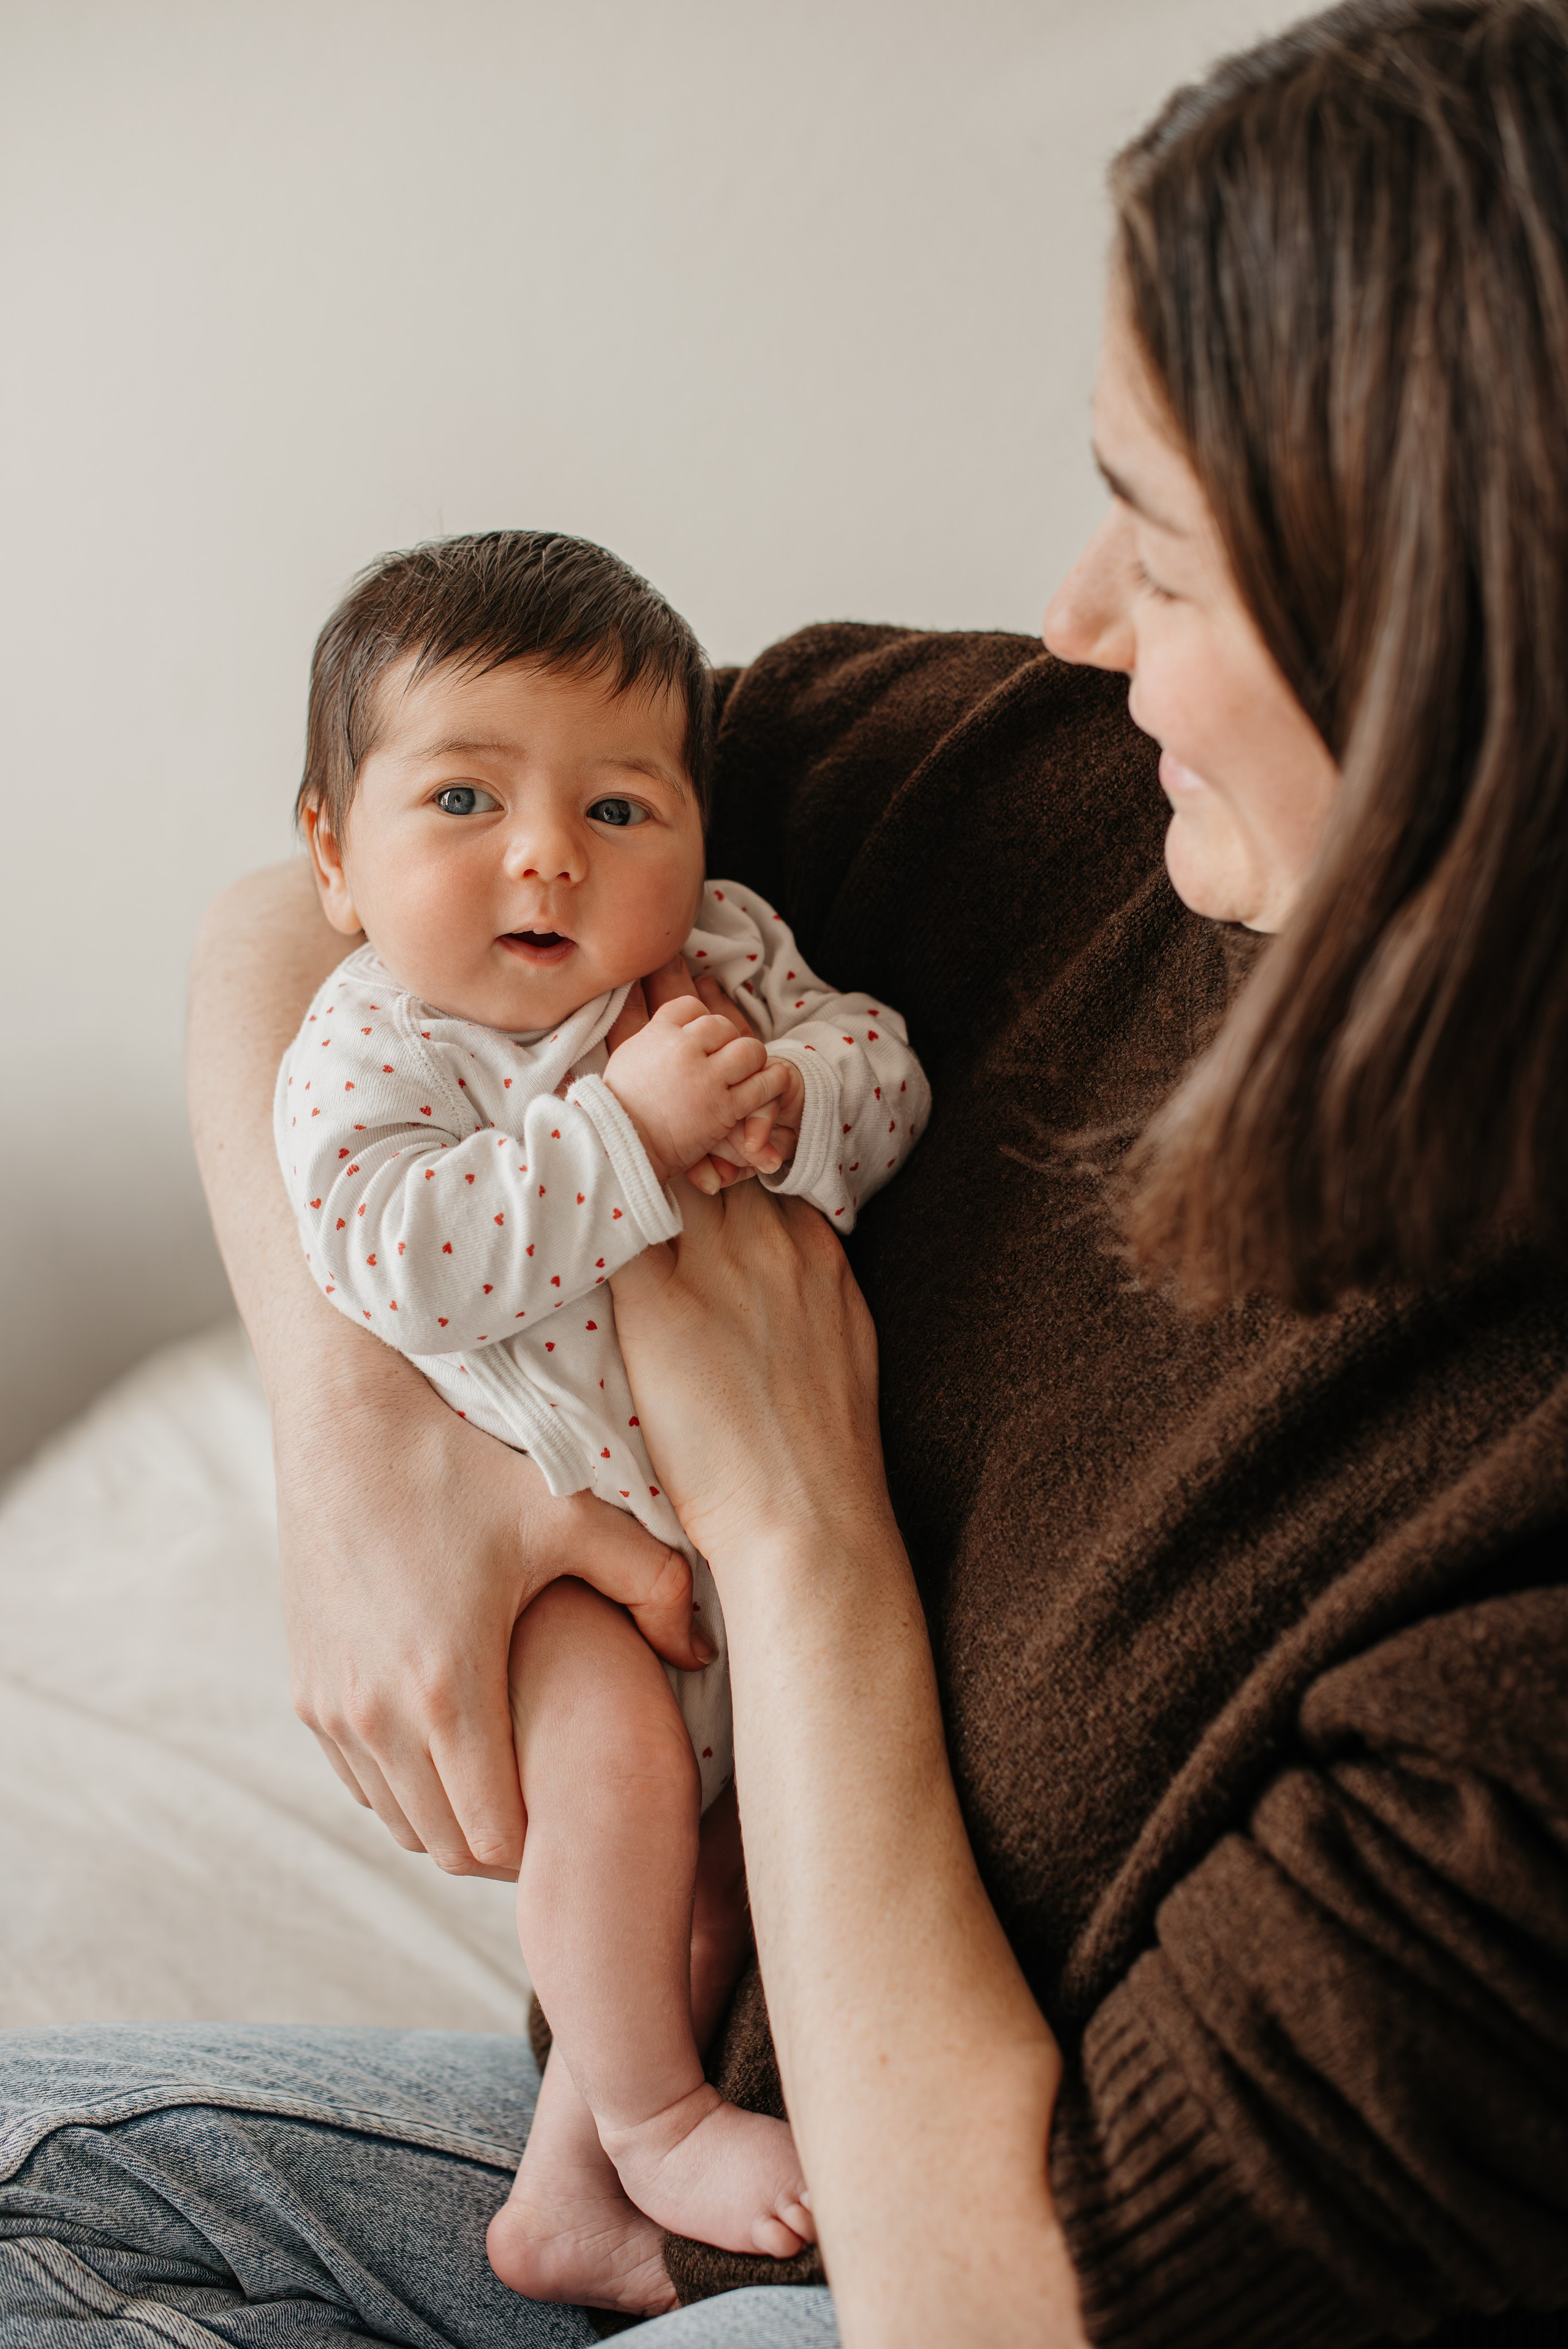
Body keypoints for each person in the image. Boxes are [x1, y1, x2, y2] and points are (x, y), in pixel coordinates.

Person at [3, 3, 1566, 2344]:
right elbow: (306, 925)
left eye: (1166, 540)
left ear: (1444, 629)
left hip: (938, 2259)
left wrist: (795, 1520)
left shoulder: (1515, 1579)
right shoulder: (1046, 801)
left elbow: (1004, 2308)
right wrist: (363, 1454)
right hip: (683, 2144)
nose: (1076, 618)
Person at [266, 528, 927, 2299]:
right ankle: (649, 2120)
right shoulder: (369, 1043)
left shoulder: (719, 957)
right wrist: (624, 1135)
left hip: (742, 1569)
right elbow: (402, 1256)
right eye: (466, 797)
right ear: (333, 857)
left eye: (621, 807)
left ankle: (569, 2196)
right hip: (559, 1548)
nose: (549, 849)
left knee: (729, 1884)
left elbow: (884, 1058)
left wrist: (799, 1098)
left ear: (699, 841)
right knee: (623, 1792)